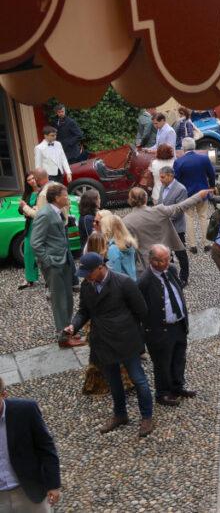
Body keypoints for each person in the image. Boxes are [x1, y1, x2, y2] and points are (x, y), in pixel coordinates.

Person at [67, 252, 154, 437]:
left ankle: (147, 417)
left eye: (88, 273)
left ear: (100, 267)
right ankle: (120, 414)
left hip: (125, 340)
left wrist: (130, 330)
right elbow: (84, 311)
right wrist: (73, 326)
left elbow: (142, 310)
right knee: (113, 381)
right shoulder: (87, 286)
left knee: (139, 379)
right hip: (102, 341)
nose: (86, 277)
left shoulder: (123, 282)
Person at [138, 245, 194, 408]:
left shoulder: (171, 270)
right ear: (153, 261)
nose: (167, 263)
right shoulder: (144, 281)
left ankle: (178, 386)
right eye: (163, 260)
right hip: (159, 330)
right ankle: (162, 393)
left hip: (178, 324)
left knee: (179, 357)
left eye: (169, 258)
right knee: (162, 362)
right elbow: (138, 308)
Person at [29, 184, 83, 349]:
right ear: (56, 198)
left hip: (64, 261)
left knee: (67, 299)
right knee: (60, 301)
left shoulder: (56, 212)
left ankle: (68, 331)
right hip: (55, 265)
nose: (68, 198)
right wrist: (49, 261)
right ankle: (63, 338)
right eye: (65, 195)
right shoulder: (45, 214)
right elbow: (35, 243)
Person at [0, 376, 62, 512]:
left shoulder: (26, 411)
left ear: (3, 394)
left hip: (29, 493)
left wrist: (53, 485)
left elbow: (46, 448)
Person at [123, 185, 208, 266]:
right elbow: (180, 207)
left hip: (144, 263)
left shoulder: (126, 221)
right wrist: (198, 196)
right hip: (164, 258)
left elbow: (126, 246)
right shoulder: (159, 210)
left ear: (130, 201)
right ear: (145, 198)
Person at [173, 137, 216, 254]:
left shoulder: (178, 162)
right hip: (203, 192)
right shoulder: (204, 158)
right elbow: (212, 174)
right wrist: (212, 186)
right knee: (203, 217)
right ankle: (206, 243)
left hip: (187, 195)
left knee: (189, 219)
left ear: (183, 148)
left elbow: (175, 181)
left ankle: (192, 245)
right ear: (194, 146)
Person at [18, 173, 44, 290]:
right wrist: (25, 209)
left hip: (41, 225)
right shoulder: (27, 193)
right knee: (28, 252)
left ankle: (50, 279)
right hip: (30, 225)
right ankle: (30, 278)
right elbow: (20, 209)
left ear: (37, 178)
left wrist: (32, 209)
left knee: (44, 252)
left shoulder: (43, 191)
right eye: (29, 180)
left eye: (33, 178)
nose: (32, 181)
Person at [97, 211, 138, 281]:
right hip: (132, 282)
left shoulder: (113, 249)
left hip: (121, 287)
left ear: (107, 229)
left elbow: (115, 276)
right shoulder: (128, 243)